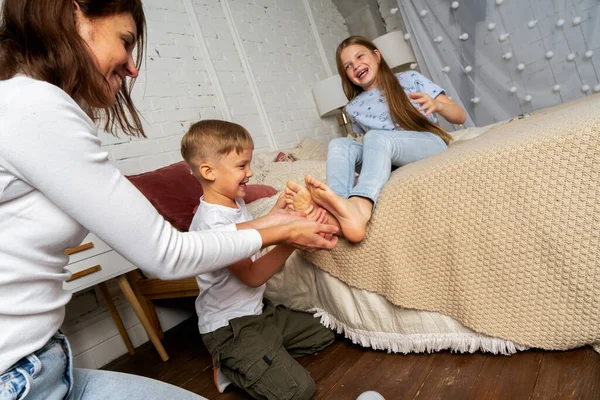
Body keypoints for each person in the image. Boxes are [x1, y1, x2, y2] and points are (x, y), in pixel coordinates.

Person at [0, 1, 338, 399]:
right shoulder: (32, 105)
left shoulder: (28, 108)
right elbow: (166, 253)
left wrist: (276, 223)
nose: (132, 66)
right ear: (74, 15)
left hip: (49, 362)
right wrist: (282, 230)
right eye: (125, 41)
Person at [180, 120, 336, 400]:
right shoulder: (210, 225)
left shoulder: (234, 202)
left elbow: (254, 234)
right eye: (242, 166)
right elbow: (251, 275)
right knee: (299, 391)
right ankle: (230, 364)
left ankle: (265, 354)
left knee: (324, 333)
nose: (250, 172)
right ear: (208, 171)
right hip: (231, 329)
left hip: (259, 312)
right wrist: (290, 240)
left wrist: (278, 211)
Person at [285, 35, 467, 243]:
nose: (356, 66)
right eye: (348, 66)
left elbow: (459, 116)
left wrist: (438, 106)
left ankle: (360, 206)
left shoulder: (409, 79)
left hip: (428, 143)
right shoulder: (353, 108)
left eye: (360, 56)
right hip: (392, 160)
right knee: (339, 143)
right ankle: (335, 208)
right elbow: (368, 150)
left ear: (376, 55)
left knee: (376, 137)